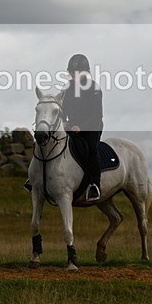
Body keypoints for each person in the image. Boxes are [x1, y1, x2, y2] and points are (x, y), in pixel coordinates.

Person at [62, 53, 104, 202]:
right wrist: (61, 119)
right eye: (71, 73)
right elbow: (63, 107)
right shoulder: (67, 87)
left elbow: (96, 115)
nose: (73, 76)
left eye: (76, 73)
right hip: (72, 126)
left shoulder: (94, 88)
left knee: (91, 149)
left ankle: (95, 185)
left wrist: (81, 127)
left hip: (92, 126)